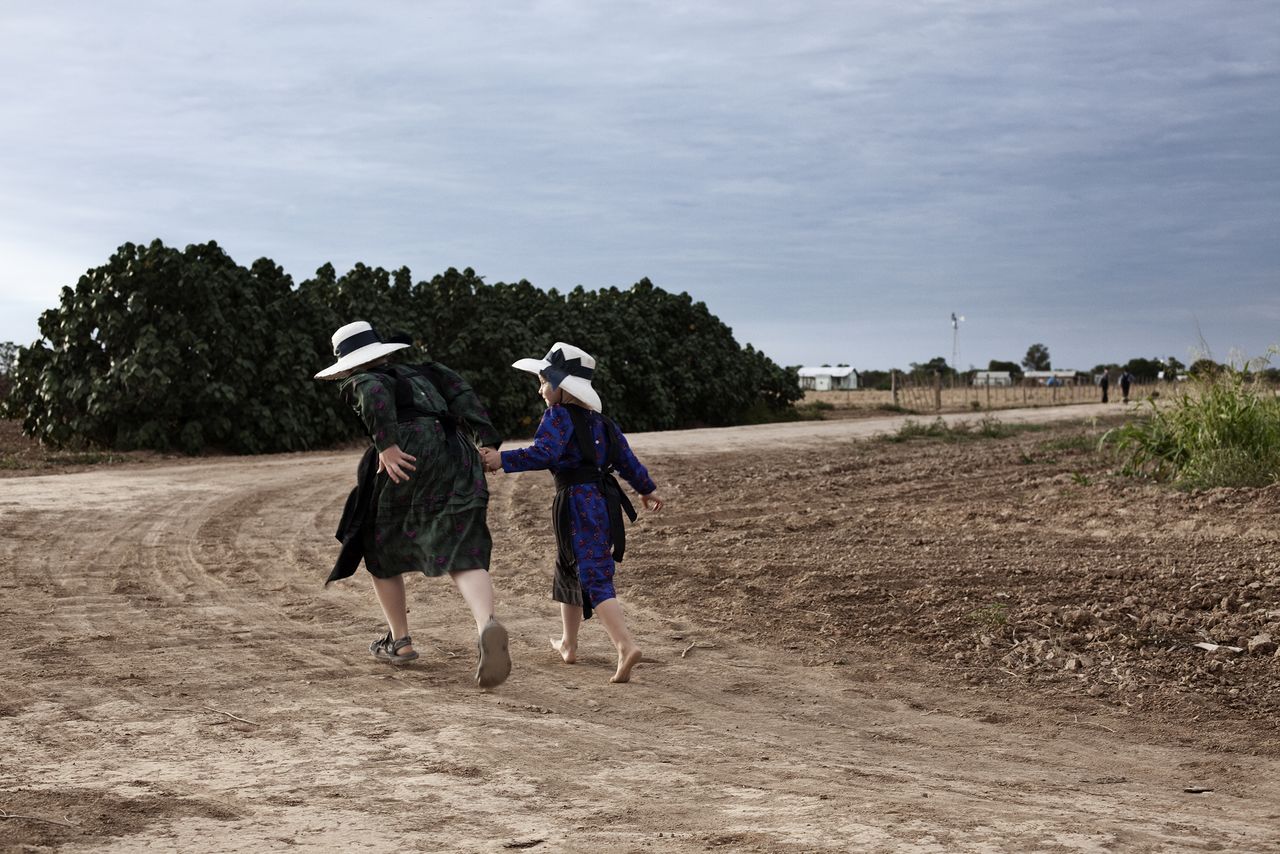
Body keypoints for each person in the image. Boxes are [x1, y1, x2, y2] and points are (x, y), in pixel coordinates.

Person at [315, 321, 511, 689]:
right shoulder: (430, 372)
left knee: (378, 542)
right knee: (462, 544)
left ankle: (400, 641)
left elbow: (371, 392)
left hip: (407, 452)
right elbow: (465, 396)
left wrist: (386, 444)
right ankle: (487, 623)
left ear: (351, 363)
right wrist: (489, 441)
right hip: (456, 451)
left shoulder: (365, 379)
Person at [480, 342, 663, 683]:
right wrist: (646, 489)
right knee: (569, 566)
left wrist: (500, 461)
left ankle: (625, 645)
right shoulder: (604, 423)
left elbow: (544, 453)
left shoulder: (557, 416)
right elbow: (627, 462)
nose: (540, 388)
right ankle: (569, 643)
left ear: (562, 387)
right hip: (603, 503)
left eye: (543, 381)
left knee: (592, 572)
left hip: (576, 503)